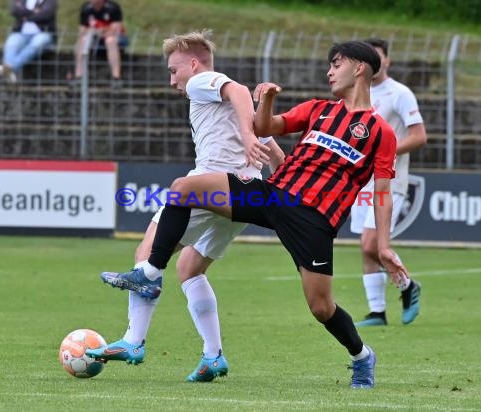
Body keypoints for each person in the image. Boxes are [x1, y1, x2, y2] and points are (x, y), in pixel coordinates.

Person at [94, 40, 409, 389]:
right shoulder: (319, 109)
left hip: (313, 220)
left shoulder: (381, 132)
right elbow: (265, 127)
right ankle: (151, 273)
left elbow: (382, 192)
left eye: (337, 64)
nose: (330, 71)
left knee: (321, 308)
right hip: (273, 196)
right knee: (182, 189)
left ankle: (362, 356)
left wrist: (383, 246)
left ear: (360, 68)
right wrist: (267, 100)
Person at [86, 30, 285, 382]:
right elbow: (277, 158)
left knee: (147, 254)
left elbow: (237, 90)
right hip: (243, 196)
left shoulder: (201, 83)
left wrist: (251, 137)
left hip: (208, 186)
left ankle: (133, 340)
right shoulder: (239, 112)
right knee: (190, 269)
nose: (172, 80)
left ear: (193, 64)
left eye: (174, 70)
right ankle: (213, 355)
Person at [350, 38, 427, 327]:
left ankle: (408, 286)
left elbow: (419, 136)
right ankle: (377, 312)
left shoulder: (400, 93)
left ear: (387, 61)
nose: (375, 62)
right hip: (361, 181)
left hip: (389, 180)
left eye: (379, 57)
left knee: (372, 243)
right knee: (365, 247)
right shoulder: (357, 93)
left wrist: (385, 152)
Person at [0, 0, 57, 84]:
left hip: (43, 33)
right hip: (21, 33)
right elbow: (14, 10)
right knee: (11, 44)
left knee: (37, 43)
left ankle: (10, 68)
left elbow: (46, 15)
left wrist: (26, 16)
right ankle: (10, 74)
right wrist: (34, 12)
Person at [74, 0, 127, 86]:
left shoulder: (113, 7)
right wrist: (95, 32)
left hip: (115, 38)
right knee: (82, 41)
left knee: (110, 40)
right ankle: (79, 76)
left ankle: (116, 77)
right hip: (95, 37)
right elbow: (82, 30)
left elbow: (115, 29)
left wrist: (100, 31)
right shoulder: (86, 8)